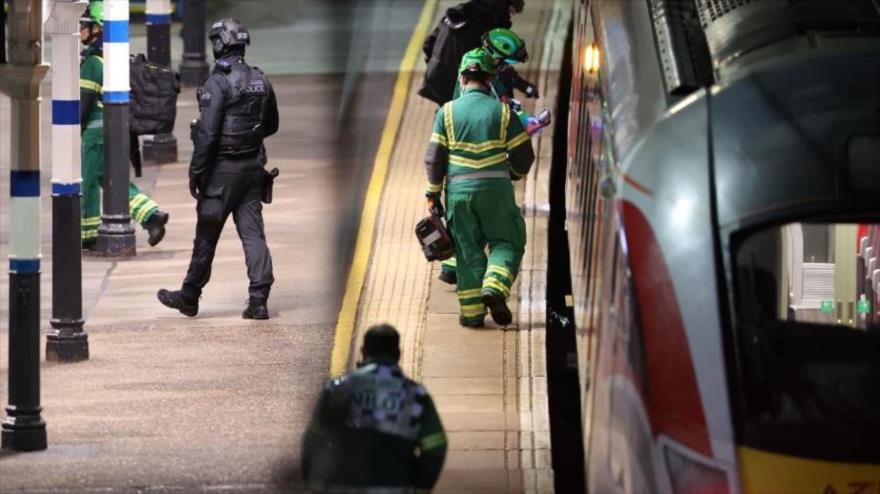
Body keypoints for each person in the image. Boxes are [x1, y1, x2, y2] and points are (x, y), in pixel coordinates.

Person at [156, 18, 279, 320]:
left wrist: (196, 173)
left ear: (219, 44)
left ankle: (189, 296)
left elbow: (208, 135)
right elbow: (272, 125)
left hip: (222, 173)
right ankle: (259, 299)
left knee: (206, 237)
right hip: (252, 169)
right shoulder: (261, 79)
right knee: (253, 235)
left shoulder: (217, 82)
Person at [425, 49, 535, 327]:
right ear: (490, 80)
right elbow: (524, 156)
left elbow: (435, 159)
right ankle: (495, 287)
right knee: (507, 241)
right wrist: (513, 173)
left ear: (462, 78)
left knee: (467, 250)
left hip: (458, 195)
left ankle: (473, 315)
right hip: (496, 192)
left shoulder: (446, 112)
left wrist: (432, 195)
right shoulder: (503, 112)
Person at [438, 28, 549, 286]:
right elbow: (496, 109)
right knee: (498, 229)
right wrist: (526, 122)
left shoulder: (473, 65)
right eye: (504, 62)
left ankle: (454, 268)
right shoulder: (483, 72)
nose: (504, 68)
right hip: (481, 157)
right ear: (494, 57)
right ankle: (484, 281)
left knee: (464, 221)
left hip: (459, 163)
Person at [302, 324, 447, 492]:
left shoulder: (337, 389)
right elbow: (436, 446)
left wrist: (313, 486)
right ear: (398, 354)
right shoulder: (415, 395)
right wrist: (420, 488)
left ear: (363, 351)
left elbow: (313, 440)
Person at [79, 1, 169, 250]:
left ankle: (87, 235)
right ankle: (151, 215)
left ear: (99, 28)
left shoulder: (92, 64)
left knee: (87, 182)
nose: (80, 29)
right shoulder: (114, 59)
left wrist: (71, 130)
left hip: (95, 136)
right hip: (115, 132)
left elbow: (83, 107)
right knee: (112, 179)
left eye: (85, 25)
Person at [419, 0, 525, 106]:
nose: (511, 18)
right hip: (461, 84)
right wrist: (520, 84)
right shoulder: (490, 22)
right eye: (511, 12)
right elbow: (496, 62)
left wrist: (436, 65)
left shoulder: (457, 12)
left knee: (447, 116)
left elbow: (428, 44)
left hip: (436, 77)